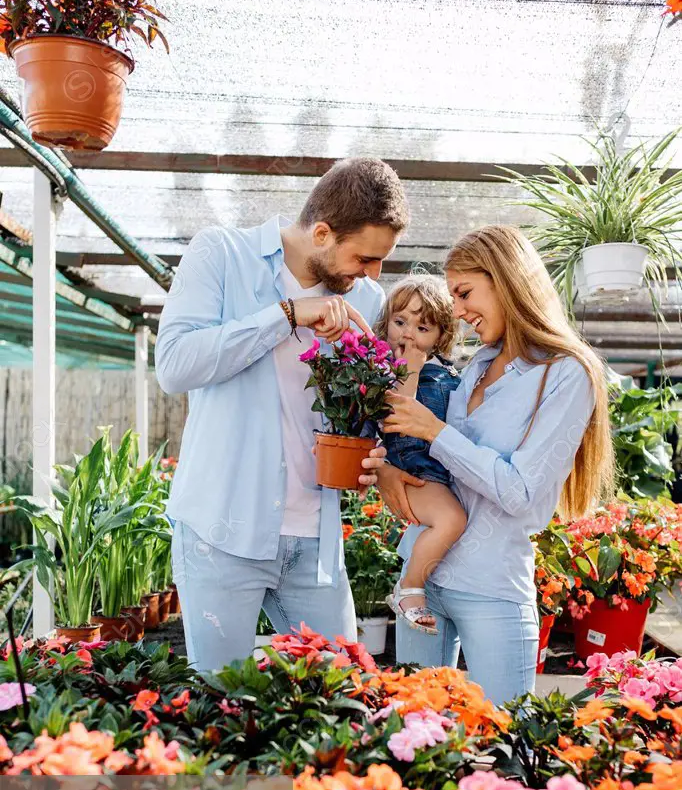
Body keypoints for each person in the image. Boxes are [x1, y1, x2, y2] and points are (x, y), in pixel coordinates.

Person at [155, 158, 409, 671]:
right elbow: (175, 365)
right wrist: (287, 316)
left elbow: (361, 403)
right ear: (321, 233)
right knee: (220, 701)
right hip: (222, 532)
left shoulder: (363, 295)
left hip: (315, 539)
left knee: (343, 697)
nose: (374, 273)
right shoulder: (222, 254)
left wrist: (370, 441)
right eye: (366, 257)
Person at [379, 225, 615, 705]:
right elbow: (431, 459)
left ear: (506, 279)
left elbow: (521, 493)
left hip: (491, 587)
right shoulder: (477, 365)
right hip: (422, 579)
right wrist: (386, 467)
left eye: (465, 293)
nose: (458, 311)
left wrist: (435, 431)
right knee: (413, 744)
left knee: (512, 743)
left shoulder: (566, 372)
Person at [372, 275, 466, 633]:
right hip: (412, 467)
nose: (408, 334)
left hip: (436, 468)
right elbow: (397, 414)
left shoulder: (447, 372)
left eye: (422, 327)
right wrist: (408, 370)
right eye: (400, 322)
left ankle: (415, 583)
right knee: (451, 520)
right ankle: (409, 589)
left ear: (441, 337)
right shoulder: (386, 369)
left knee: (451, 519)